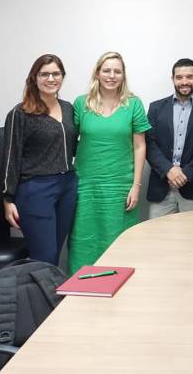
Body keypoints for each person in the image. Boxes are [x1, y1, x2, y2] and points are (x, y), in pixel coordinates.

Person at [69, 52, 150, 273]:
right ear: (97, 73)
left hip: (121, 187)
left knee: (118, 241)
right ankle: (79, 293)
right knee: (83, 240)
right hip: (86, 186)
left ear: (123, 75)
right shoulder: (81, 104)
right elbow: (67, 140)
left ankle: (119, 293)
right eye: (106, 70)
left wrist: (136, 185)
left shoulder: (133, 104)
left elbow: (140, 146)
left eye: (117, 71)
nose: (111, 76)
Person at [0, 54, 77, 267]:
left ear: (62, 77)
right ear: (35, 78)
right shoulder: (20, 113)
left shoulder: (69, 108)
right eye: (44, 74)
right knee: (44, 256)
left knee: (56, 253)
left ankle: (52, 298)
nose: (51, 79)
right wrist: (7, 199)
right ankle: (40, 300)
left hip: (68, 185)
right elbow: (10, 157)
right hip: (36, 189)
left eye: (56, 74)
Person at [145, 58, 193, 218]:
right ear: (172, 79)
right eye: (179, 77)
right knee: (156, 237)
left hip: (192, 186)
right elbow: (149, 144)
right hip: (161, 185)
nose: (184, 81)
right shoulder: (155, 108)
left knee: (192, 239)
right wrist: (169, 170)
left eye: (189, 77)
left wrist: (186, 174)